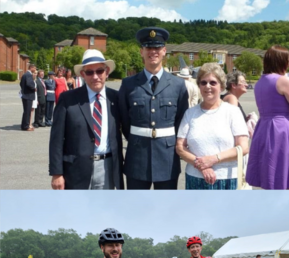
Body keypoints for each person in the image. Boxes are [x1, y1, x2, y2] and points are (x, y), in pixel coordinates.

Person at [119, 27, 189, 190]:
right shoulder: (128, 84)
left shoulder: (178, 85)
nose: (153, 52)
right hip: (137, 156)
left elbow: (181, 120)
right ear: (141, 51)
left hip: (167, 157)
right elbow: (124, 120)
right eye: (148, 48)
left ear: (164, 51)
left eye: (157, 48)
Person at [49, 49, 124, 190]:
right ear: (83, 74)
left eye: (99, 71)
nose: (95, 76)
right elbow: (56, 139)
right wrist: (56, 173)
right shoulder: (68, 99)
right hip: (76, 170)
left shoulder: (116, 98)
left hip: (108, 167)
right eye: (89, 72)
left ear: (107, 72)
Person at [176, 63, 249, 190]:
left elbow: (243, 147)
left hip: (227, 178)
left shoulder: (232, 112)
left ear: (221, 86)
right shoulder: (190, 113)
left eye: (213, 83)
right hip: (195, 178)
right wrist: (202, 166)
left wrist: (214, 159)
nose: (207, 86)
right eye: (203, 83)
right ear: (199, 86)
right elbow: (180, 147)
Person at [246, 45, 289, 189]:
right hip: (281, 128)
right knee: (281, 168)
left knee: (270, 169)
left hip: (264, 126)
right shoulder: (282, 81)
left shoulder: (260, 82)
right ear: (281, 61)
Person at [20, 63, 37, 131]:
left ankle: (24, 125)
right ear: (31, 68)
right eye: (35, 68)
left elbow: (21, 84)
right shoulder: (28, 75)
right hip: (28, 95)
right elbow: (29, 84)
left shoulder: (25, 74)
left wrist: (24, 89)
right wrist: (34, 88)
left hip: (25, 95)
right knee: (27, 112)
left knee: (26, 111)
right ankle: (26, 126)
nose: (35, 70)